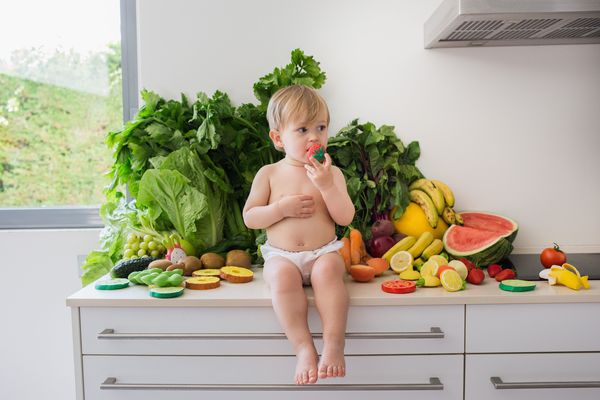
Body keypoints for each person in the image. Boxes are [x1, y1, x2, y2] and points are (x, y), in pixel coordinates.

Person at [243, 85, 355, 385]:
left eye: (321, 127)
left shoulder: (333, 174)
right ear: (278, 138)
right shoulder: (269, 173)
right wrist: (280, 209)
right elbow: (250, 217)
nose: (314, 137)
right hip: (283, 255)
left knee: (331, 270)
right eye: (303, 129)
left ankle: (333, 344)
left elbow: (345, 217)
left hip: (322, 252)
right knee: (280, 278)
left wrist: (327, 186)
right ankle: (303, 347)